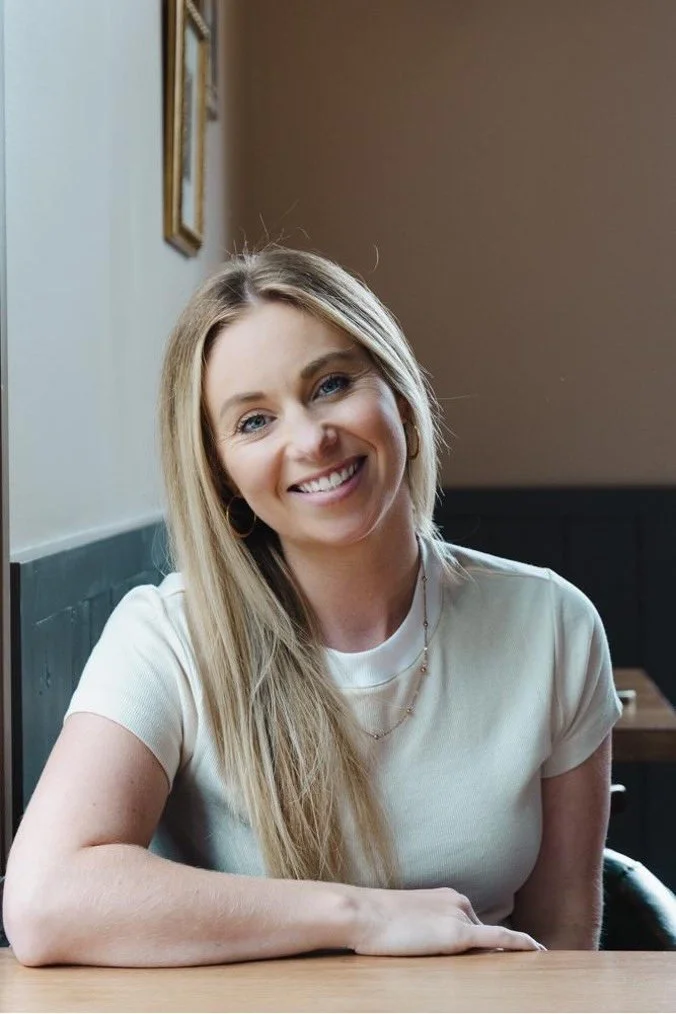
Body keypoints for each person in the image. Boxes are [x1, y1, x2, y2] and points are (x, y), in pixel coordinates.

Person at [3, 247, 621, 966]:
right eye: (255, 422)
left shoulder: (554, 625)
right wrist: (361, 916)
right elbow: (45, 900)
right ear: (223, 478)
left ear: (399, 395)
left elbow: (566, 932)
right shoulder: (166, 637)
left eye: (330, 384)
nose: (310, 438)